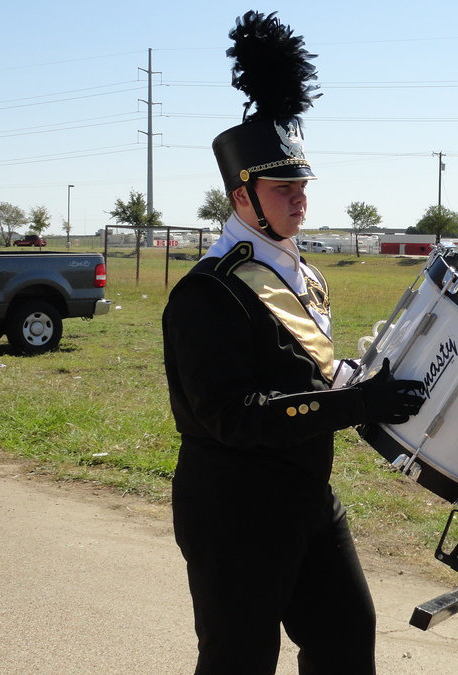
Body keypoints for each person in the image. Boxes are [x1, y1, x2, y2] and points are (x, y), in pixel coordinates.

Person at [162, 12, 425, 674]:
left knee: (345, 638)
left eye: (302, 185)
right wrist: (354, 404)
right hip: (233, 504)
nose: (299, 200)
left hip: (306, 492)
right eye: (283, 188)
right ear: (241, 196)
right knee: (239, 659)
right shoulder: (207, 292)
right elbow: (234, 413)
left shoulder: (299, 272)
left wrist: (362, 381)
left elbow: (313, 371)